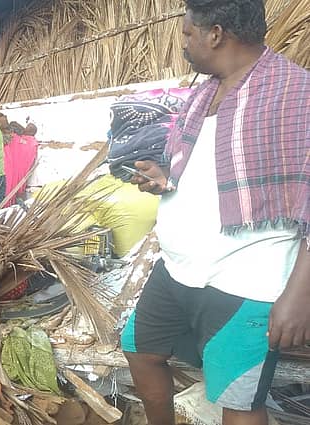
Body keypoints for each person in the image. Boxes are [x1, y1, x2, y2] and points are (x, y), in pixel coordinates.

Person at [121, 1, 310, 424]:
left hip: (247, 280)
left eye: (188, 33)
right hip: (176, 271)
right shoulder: (204, 93)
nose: (184, 43)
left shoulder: (296, 94)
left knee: (239, 400)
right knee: (139, 350)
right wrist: (165, 178)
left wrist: (300, 295)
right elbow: (222, 171)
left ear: (216, 34)